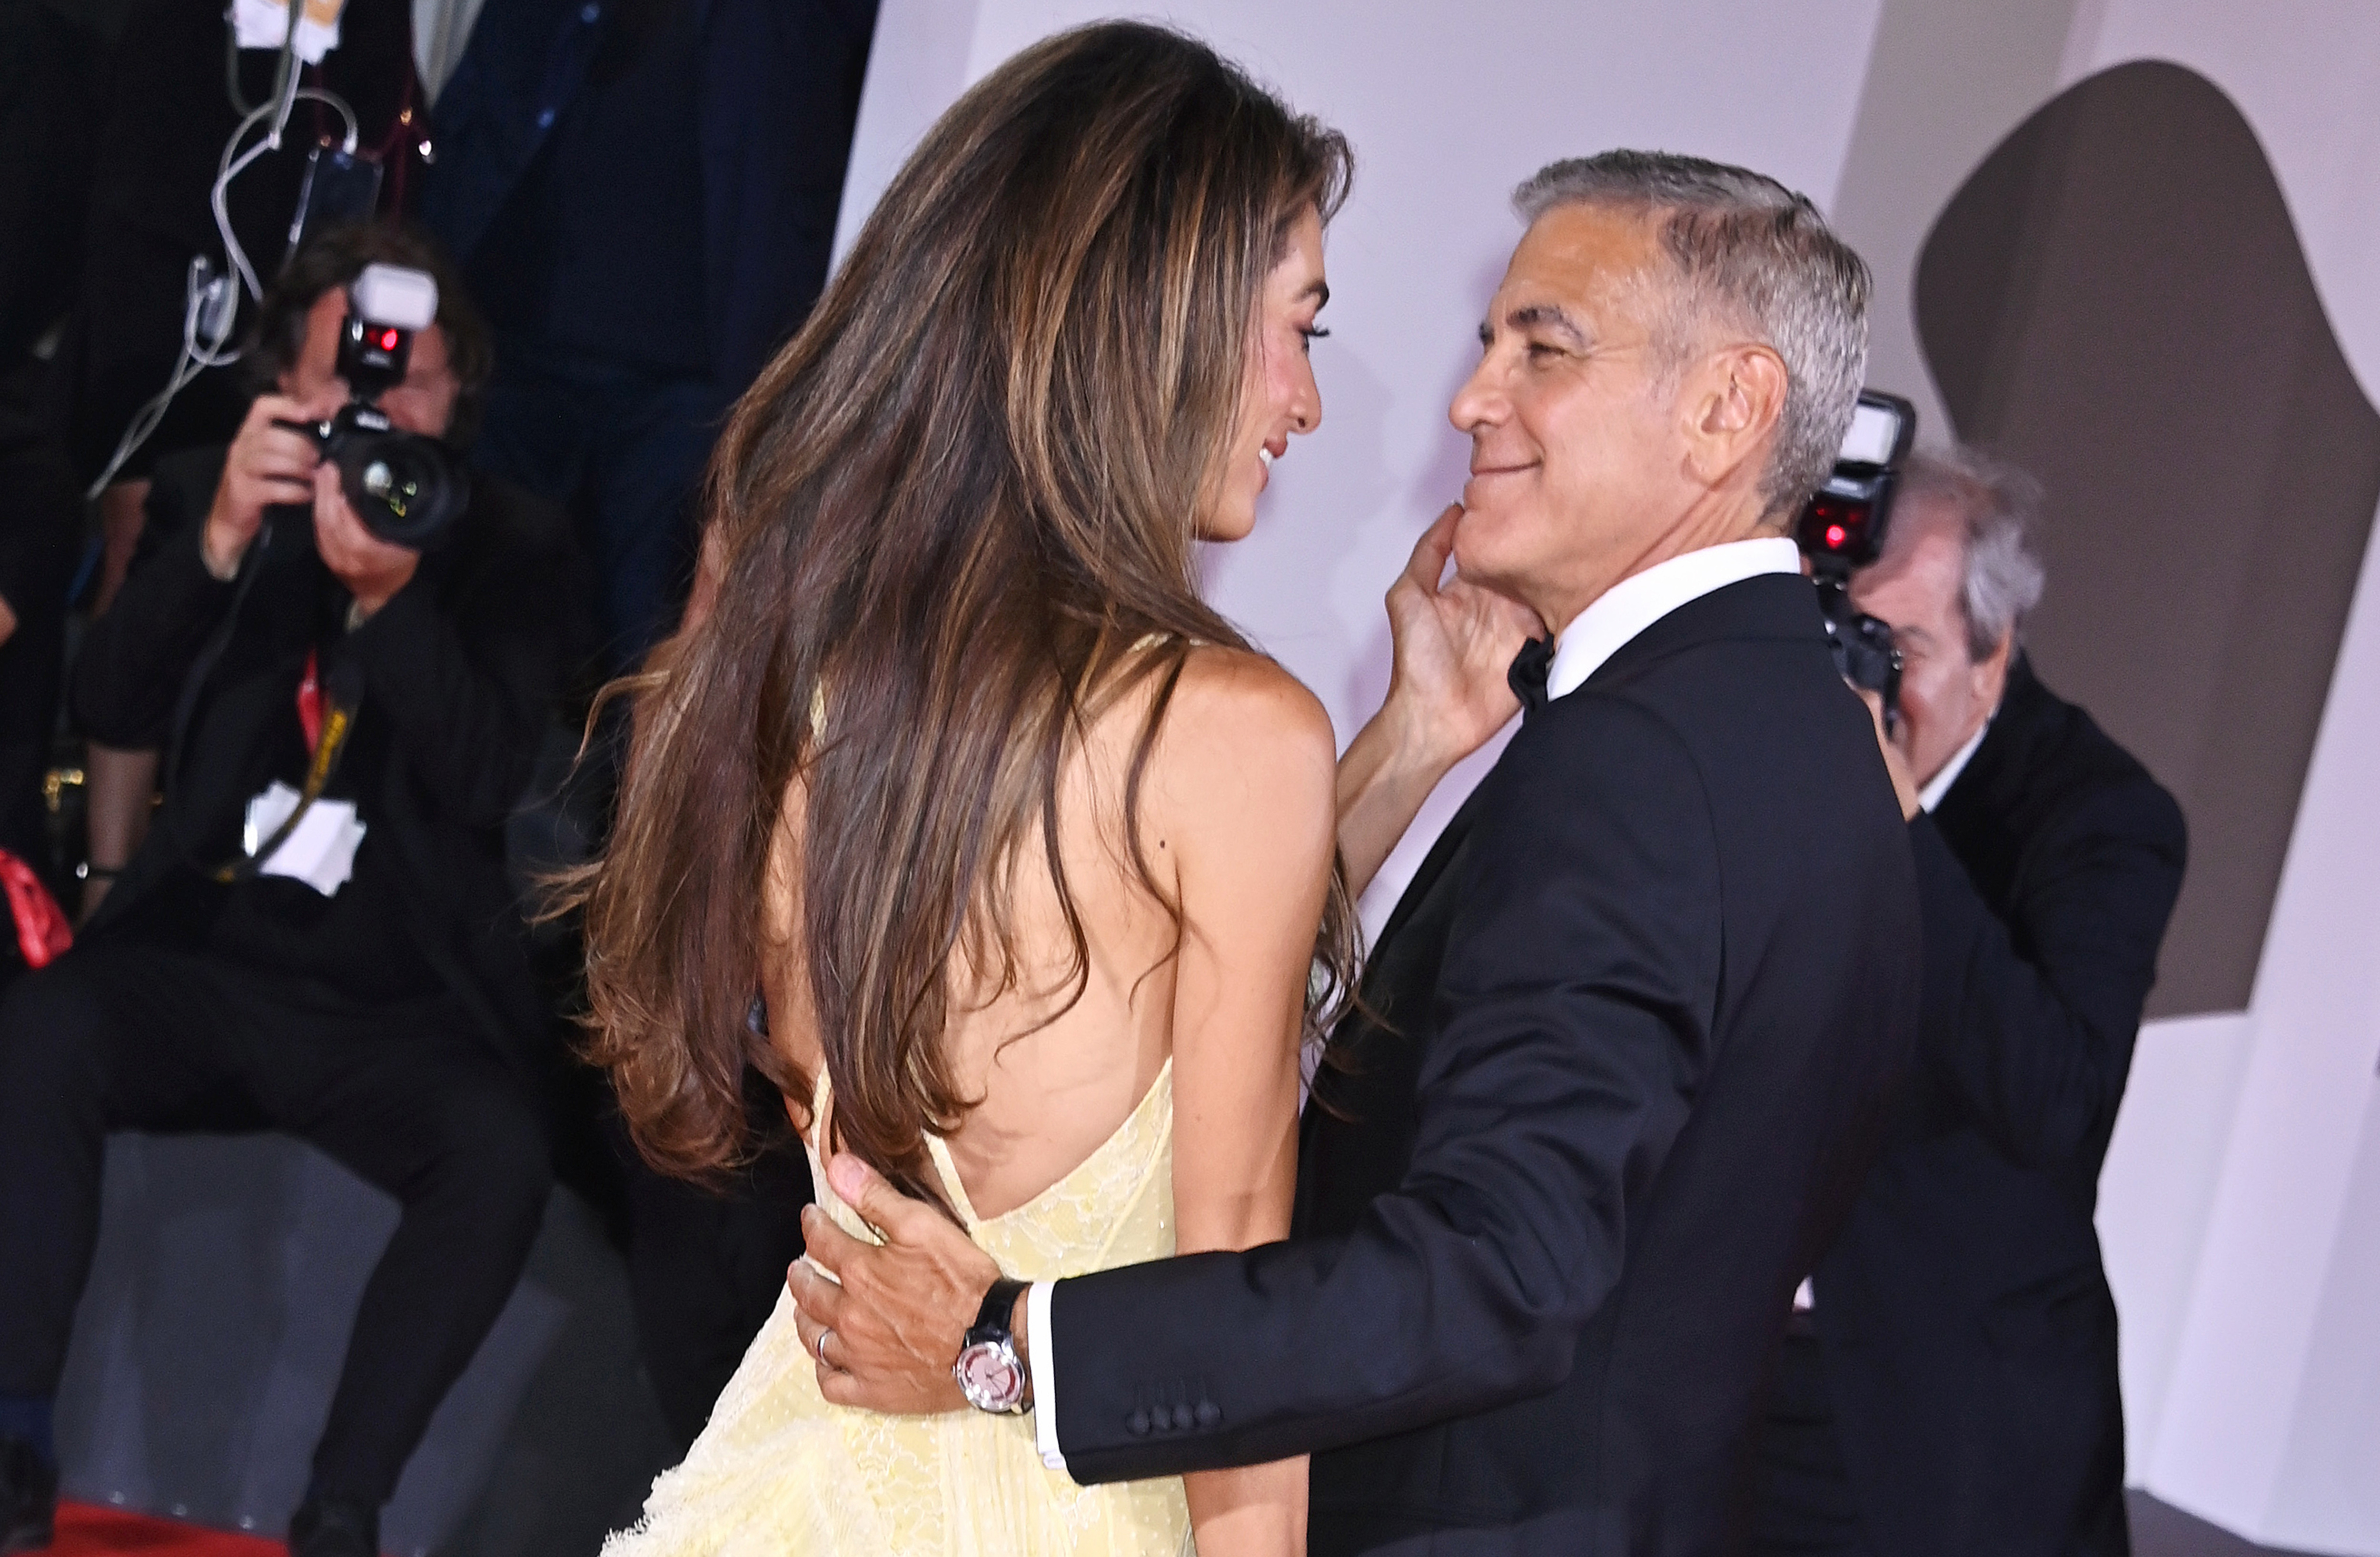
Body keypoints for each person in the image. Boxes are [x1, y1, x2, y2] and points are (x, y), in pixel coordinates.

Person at [789, 151, 1926, 1555]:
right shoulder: (1805, 748)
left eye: (1543, 350)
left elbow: (1500, 1273)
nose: (1471, 401)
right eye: (1487, 343)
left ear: (1726, 410)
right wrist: (1410, 745)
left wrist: (1009, 1344)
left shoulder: (1640, 763)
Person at [566, 21, 1507, 1555]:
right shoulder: (1230, 734)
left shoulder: (814, 674)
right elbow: (1236, 1326)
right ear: (1158, 316)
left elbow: (1108, 953)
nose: (1306, 401)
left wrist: (1404, 743)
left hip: (784, 1488)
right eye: (1298, 328)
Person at [0, 222, 586, 1557]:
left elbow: (499, 771)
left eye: (413, 381)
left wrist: (393, 602)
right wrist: (210, 545)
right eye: (346, 376)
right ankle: (16, 1436)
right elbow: (107, 702)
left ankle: (343, 1506)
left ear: (461, 403)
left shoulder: (507, 543)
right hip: (207, 956)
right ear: (285, 385)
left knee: (496, 1153)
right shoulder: (219, 489)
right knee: (43, 1029)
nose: (377, 407)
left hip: (397, 1000)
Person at [1753, 447, 2186, 1557]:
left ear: (1993, 660)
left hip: (1944, 1424)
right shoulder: (1771, 757)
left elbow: (2055, 1102)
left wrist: (1894, 819)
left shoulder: (2100, 818)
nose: (1862, 680)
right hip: (1739, 1372)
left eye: (1899, 650)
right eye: (1842, 635)